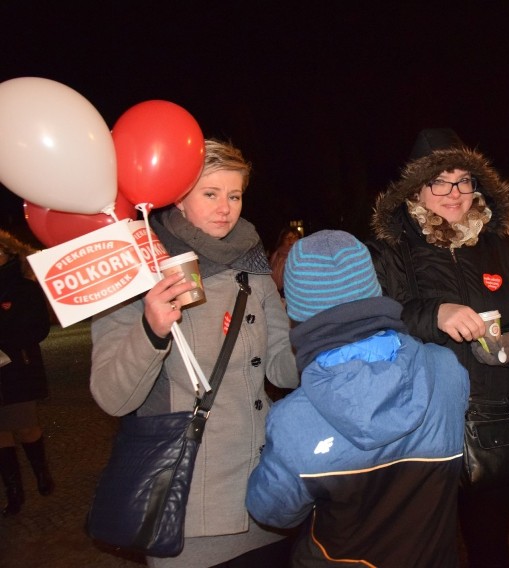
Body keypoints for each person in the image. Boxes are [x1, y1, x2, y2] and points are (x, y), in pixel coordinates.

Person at [90, 139, 299, 567]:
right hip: (189, 507)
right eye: (210, 193)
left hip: (266, 496)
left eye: (234, 195)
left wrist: (328, 338)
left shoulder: (252, 262)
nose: (226, 207)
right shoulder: (136, 266)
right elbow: (113, 397)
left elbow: (281, 366)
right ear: (179, 198)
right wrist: (151, 329)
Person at [368, 128, 509, 567]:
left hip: (491, 420)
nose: (454, 193)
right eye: (440, 181)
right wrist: (435, 315)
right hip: (420, 425)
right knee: (426, 553)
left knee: (491, 550)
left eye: (464, 181)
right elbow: (376, 324)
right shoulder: (390, 249)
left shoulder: (504, 247)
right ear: (417, 186)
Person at [246, 230, 470, 567]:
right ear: (373, 289)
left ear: (295, 308)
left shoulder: (294, 420)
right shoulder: (445, 370)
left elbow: (273, 511)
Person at [0, 230, 54, 516]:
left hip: (18, 367)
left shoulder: (24, 288)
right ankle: (14, 491)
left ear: (9, 255)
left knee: (25, 426)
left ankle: (42, 473)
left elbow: (39, 328)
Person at [268, 227, 301, 298]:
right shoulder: (275, 255)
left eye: (295, 237)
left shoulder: (301, 256)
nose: (291, 240)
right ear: (282, 240)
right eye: (287, 238)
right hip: (275, 293)